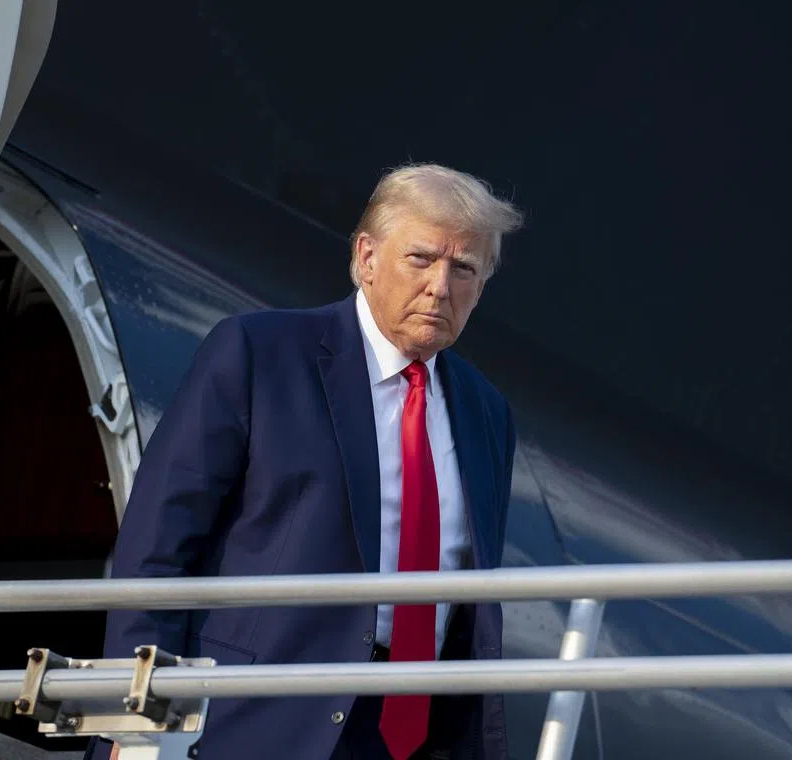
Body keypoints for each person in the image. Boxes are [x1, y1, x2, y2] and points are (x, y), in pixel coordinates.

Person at [99, 163, 523, 760]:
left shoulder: (487, 414)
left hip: (405, 738)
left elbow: (466, 608)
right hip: (247, 717)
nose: (440, 286)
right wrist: (134, 720)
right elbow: (156, 546)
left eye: (464, 269)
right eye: (421, 259)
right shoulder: (258, 353)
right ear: (367, 257)